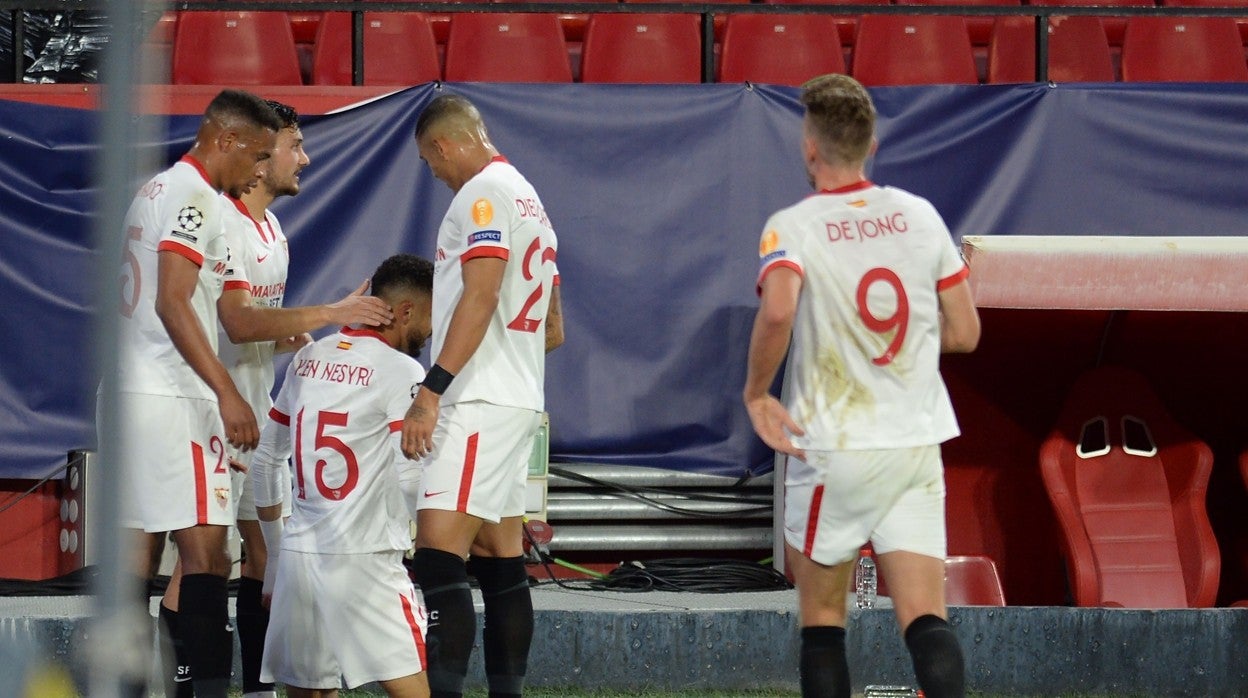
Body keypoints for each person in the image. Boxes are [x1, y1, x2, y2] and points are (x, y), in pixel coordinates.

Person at [109, 89, 391, 698]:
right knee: (208, 560)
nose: (258, 169)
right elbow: (174, 301)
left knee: (136, 567)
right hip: (174, 397)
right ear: (228, 141)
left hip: (131, 390)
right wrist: (228, 395)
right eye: (259, 153)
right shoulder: (196, 198)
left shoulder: (152, 191)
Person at [742, 74, 981, 698]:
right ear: (872, 143)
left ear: (810, 148)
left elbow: (777, 311)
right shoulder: (921, 216)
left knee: (823, 623)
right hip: (915, 441)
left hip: (837, 442)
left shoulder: (792, 225)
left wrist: (756, 394)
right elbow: (965, 331)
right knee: (926, 619)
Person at [156, 100, 345, 698]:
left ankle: (258, 687)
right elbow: (232, 323)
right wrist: (333, 313)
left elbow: (248, 322)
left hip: (257, 418)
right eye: (293, 145)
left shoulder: (273, 231)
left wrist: (288, 334)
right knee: (201, 563)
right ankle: (188, 684)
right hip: (214, 415)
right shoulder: (221, 218)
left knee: (262, 557)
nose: (303, 158)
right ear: (260, 161)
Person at [401, 93, 564, 698]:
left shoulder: (482, 195)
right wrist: (509, 363)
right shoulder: (531, 198)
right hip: (516, 395)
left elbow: (481, 295)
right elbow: (554, 327)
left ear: (442, 145)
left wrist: (432, 388)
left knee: (438, 556)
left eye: (429, 162)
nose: (435, 174)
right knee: (499, 557)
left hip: (477, 402)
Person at [250, 253, 436, 698]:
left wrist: (275, 561)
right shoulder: (402, 371)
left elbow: (264, 463)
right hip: (365, 556)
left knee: (310, 691)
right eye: (431, 315)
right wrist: (437, 549)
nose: (431, 330)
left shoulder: (308, 358)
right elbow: (411, 478)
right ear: (406, 310)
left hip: (300, 556)